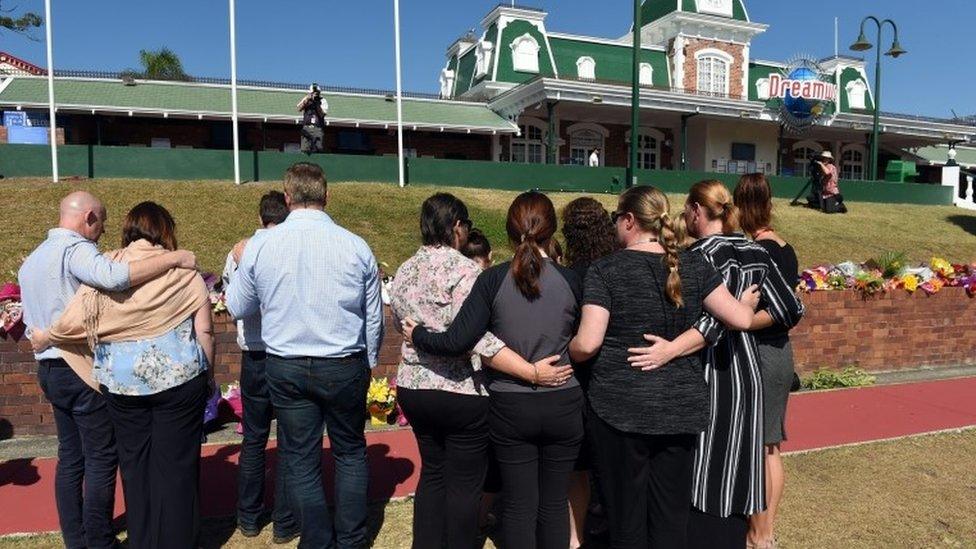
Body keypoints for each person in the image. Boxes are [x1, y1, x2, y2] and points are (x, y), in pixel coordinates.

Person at [568, 186, 759, 548]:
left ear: (628, 220)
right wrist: (747, 302)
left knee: (626, 519)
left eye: (616, 220)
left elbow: (588, 342)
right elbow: (740, 319)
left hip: (618, 409)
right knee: (670, 517)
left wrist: (569, 349)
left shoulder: (605, 270)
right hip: (679, 409)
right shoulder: (694, 264)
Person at [404, 191, 583, 549]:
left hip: (506, 402)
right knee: (552, 502)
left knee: (515, 504)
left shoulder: (489, 279)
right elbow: (587, 340)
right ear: (552, 230)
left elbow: (460, 338)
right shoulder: (572, 280)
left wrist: (419, 335)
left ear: (509, 231)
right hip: (561, 399)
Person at [17, 191, 196, 549]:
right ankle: (99, 539)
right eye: (102, 223)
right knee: (101, 457)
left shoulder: (32, 260)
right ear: (89, 219)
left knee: (70, 457)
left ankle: (76, 539)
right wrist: (176, 257)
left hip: (49, 370)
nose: (103, 233)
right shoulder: (76, 250)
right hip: (79, 367)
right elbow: (115, 277)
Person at [226, 162, 384, 549]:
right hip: (344, 360)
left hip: (286, 362)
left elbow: (237, 306)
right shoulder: (355, 245)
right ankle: (350, 539)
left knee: (300, 456)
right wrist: (370, 360)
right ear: (326, 197)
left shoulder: (261, 245)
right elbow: (374, 314)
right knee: (349, 451)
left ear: (287, 197)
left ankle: (316, 538)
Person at [681, 180, 804, 549]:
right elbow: (791, 307)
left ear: (697, 211)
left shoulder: (697, 255)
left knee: (704, 455)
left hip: (708, 365)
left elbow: (689, 316)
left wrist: (741, 318)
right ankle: (753, 533)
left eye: (688, 208)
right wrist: (745, 318)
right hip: (749, 364)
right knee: (749, 450)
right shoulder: (755, 251)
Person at [388, 193, 506, 548]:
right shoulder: (467, 271)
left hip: (414, 385)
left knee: (433, 473)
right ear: (457, 226)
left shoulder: (406, 268)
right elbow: (474, 335)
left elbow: (399, 323)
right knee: (465, 484)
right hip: (460, 390)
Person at [222, 191, 299, 543]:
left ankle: (248, 518)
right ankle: (284, 523)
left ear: (260, 216)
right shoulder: (292, 248)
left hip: (254, 354)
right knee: (288, 440)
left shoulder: (240, 251)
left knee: (253, 439)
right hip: (286, 352)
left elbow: (232, 302)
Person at [734, 174, 801, 549]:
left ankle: (760, 534)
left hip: (761, 353)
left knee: (760, 446)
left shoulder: (759, 251)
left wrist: (738, 321)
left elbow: (776, 311)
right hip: (780, 354)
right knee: (771, 447)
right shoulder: (785, 247)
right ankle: (767, 530)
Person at [559, 196, 617, 549]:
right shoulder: (615, 267)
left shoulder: (568, 277)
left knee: (578, 464)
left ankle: (575, 535)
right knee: (608, 461)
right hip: (613, 374)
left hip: (577, 372)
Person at [298, 83, 329, 153]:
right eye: (314, 93)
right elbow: (299, 108)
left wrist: (317, 104)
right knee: (305, 149)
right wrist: (307, 101)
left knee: (318, 148)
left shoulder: (322, 100)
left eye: (317, 93)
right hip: (307, 127)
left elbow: (322, 114)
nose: (315, 94)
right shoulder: (307, 98)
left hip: (317, 127)